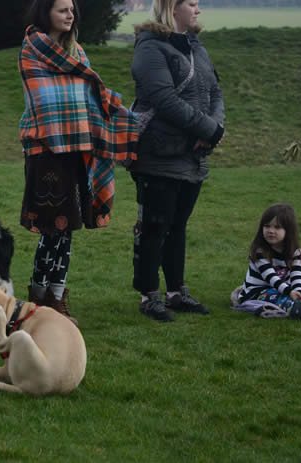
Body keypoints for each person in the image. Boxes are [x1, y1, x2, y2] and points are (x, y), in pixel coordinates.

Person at [20, 0, 143, 322]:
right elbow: (44, 99)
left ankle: (57, 296)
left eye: (72, 9)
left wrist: (121, 115)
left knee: (69, 227)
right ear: (45, 12)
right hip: (46, 150)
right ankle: (37, 299)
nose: (69, 14)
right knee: (51, 228)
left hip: (78, 148)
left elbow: (88, 98)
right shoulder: (32, 50)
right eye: (62, 9)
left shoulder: (78, 53)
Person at [129, 0, 225, 322]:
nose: (198, 10)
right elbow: (164, 99)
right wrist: (207, 129)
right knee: (155, 226)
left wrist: (212, 130)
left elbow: (215, 91)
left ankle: (176, 292)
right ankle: (149, 295)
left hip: (192, 155)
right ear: (172, 7)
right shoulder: (150, 48)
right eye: (192, 3)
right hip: (158, 154)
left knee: (178, 226)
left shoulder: (196, 46)